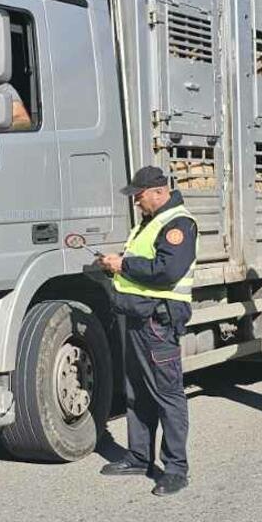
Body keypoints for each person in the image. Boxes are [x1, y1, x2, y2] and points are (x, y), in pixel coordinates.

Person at [95, 165, 198, 496]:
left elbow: (166, 271)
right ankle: (139, 456)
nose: (137, 202)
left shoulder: (178, 224)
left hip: (158, 321)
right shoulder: (150, 222)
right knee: (136, 391)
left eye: (139, 197)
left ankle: (176, 469)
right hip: (138, 317)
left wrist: (122, 264)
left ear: (158, 192)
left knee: (167, 395)